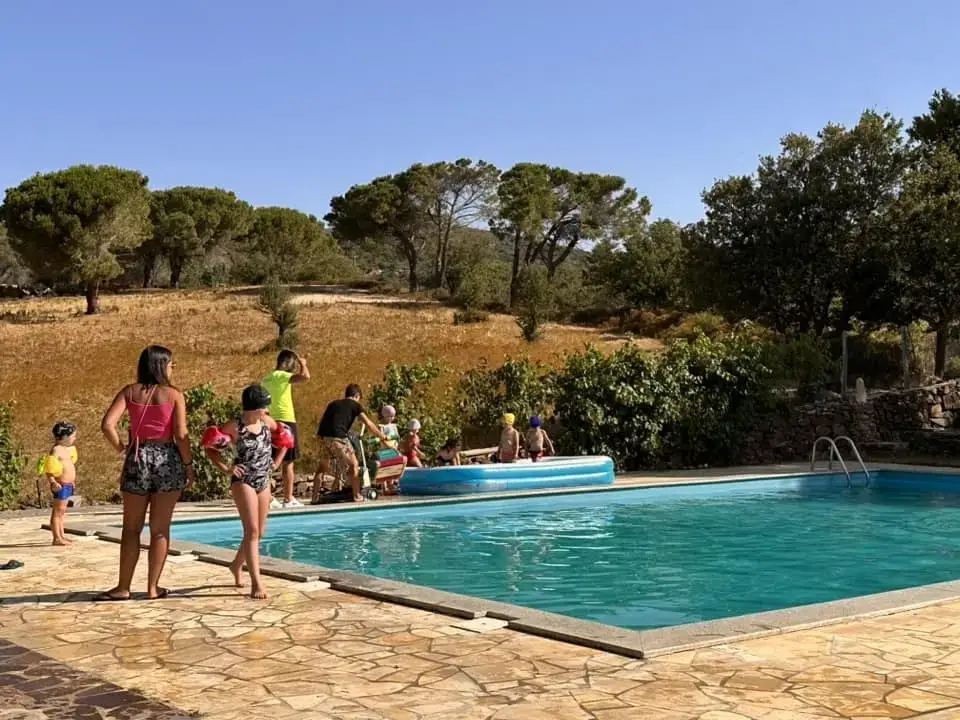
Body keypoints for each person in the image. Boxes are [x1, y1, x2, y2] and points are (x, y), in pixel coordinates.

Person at [98, 345, 194, 601]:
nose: (173, 368)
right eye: (171, 364)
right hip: (167, 460)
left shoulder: (129, 392)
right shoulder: (174, 395)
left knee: (131, 528)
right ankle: (153, 587)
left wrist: (122, 448)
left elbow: (107, 425)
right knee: (160, 529)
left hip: (137, 458)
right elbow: (181, 434)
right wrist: (188, 465)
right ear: (161, 366)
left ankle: (123, 587)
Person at [204, 384, 289, 600]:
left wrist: (277, 462)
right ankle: (256, 582)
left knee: (259, 532)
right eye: (264, 406)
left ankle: (236, 565)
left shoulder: (267, 422)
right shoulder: (235, 427)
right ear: (254, 407)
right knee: (251, 531)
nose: (267, 410)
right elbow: (210, 448)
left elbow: (285, 440)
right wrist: (227, 469)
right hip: (243, 481)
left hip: (264, 480)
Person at [314, 384, 390, 502]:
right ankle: (356, 496)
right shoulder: (355, 405)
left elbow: (322, 422)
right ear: (356, 396)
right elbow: (368, 423)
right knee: (354, 465)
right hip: (338, 437)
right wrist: (383, 437)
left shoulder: (333, 404)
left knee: (322, 468)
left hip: (323, 437)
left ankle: (314, 498)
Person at [260, 349, 310, 509]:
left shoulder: (266, 379)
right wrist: (303, 364)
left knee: (269, 460)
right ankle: (288, 498)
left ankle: (267, 497)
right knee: (288, 462)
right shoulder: (282, 376)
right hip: (286, 420)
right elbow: (305, 377)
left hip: (271, 422)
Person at [39, 421, 78, 546]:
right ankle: (56, 538)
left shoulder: (65, 449)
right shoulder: (56, 450)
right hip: (60, 485)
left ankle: (61, 535)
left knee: (62, 513)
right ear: (65, 437)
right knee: (57, 512)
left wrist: (72, 481)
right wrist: (52, 482)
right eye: (73, 436)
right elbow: (49, 469)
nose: (74, 438)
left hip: (67, 484)